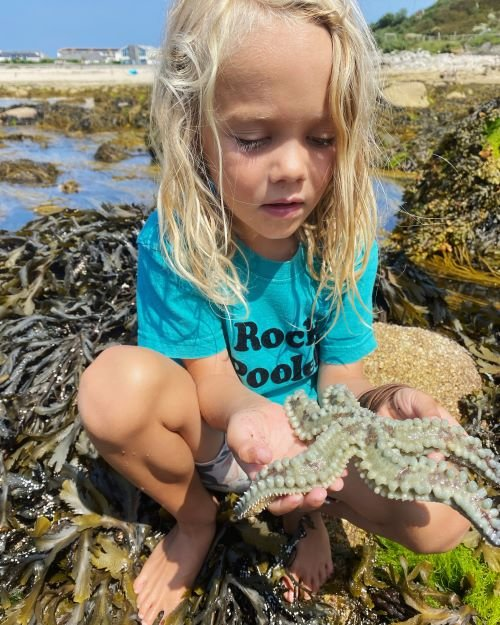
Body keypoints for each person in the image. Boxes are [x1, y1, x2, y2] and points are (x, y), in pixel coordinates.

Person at [78, 1, 470, 624]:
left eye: (321, 138)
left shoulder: (344, 237)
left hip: (311, 443)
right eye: (254, 138)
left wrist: (378, 404)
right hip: (222, 431)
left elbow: (341, 376)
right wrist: (249, 415)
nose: (292, 168)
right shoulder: (179, 238)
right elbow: (206, 381)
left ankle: (307, 516)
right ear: (193, 127)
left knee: (446, 516)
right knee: (111, 390)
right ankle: (197, 519)